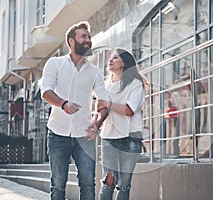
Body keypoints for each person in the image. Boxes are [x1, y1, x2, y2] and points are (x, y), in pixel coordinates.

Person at [41, 21, 109, 200]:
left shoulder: (94, 72)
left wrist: (97, 124)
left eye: (89, 37)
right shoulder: (55, 63)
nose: (88, 40)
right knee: (58, 184)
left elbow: (105, 102)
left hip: (84, 136)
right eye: (83, 37)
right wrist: (64, 104)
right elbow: (46, 92)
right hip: (57, 133)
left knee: (87, 183)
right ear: (71, 42)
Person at [96, 48, 147, 200]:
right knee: (108, 181)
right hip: (109, 137)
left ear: (124, 63)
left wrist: (107, 103)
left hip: (131, 137)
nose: (110, 60)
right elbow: (101, 110)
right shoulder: (105, 85)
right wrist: (94, 126)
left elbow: (129, 110)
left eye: (115, 58)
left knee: (124, 184)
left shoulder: (135, 84)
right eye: (110, 58)